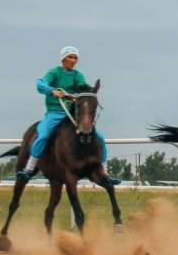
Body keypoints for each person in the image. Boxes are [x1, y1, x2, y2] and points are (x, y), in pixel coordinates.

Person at [17, 46, 116, 183]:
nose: (73, 60)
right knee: (43, 134)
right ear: (63, 58)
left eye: (75, 57)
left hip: (73, 115)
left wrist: (79, 95)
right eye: (70, 57)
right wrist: (52, 91)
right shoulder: (54, 73)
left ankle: (104, 173)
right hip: (55, 113)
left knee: (100, 137)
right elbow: (40, 84)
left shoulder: (78, 75)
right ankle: (29, 168)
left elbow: (82, 88)